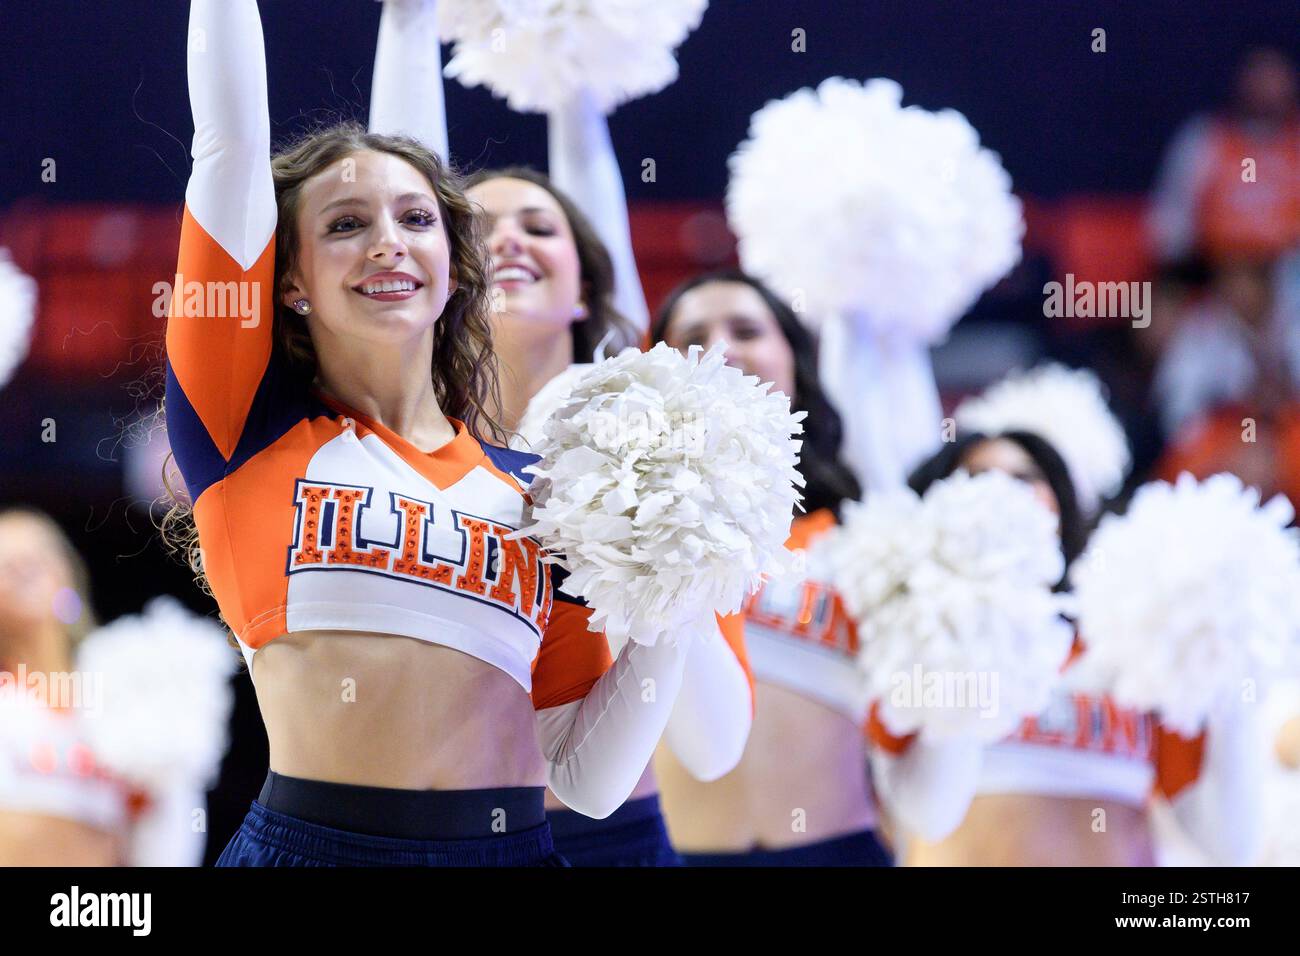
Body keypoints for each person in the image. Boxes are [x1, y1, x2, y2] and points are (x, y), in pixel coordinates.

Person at [165, 0, 710, 867]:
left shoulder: (546, 490)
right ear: (291, 280)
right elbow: (226, 144)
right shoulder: (240, 432)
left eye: (416, 221)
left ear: (455, 269)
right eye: (345, 225)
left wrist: (675, 596)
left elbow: (588, 778)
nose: (387, 243)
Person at [868, 431, 1263, 866]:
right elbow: (922, 816)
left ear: (1059, 503)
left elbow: (1229, 847)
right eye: (979, 477)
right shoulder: (907, 646)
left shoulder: (1132, 651)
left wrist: (1234, 677)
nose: (1004, 493)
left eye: (1026, 478)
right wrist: (970, 627)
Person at [649, 271, 891, 866]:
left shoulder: (864, 534)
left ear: (796, 366)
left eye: (747, 330)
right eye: (693, 338)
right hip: (680, 854)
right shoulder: (627, 519)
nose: (722, 349)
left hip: (840, 851)